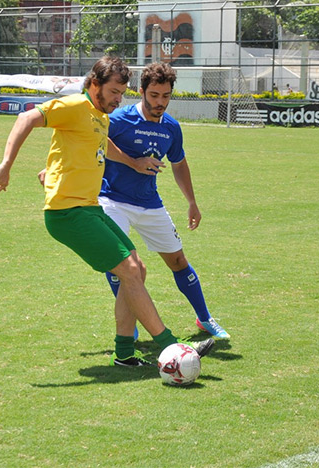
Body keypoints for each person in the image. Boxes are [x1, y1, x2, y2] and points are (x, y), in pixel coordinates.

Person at [0, 57, 213, 367]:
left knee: (137, 269)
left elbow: (98, 148)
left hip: (89, 208)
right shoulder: (74, 106)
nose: (119, 99)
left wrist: (52, 169)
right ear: (95, 85)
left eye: (122, 93)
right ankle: (171, 347)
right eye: (114, 92)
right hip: (68, 213)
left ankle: (123, 355)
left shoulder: (101, 115)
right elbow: (27, 119)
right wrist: (5, 166)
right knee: (131, 272)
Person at [100, 62, 230, 340]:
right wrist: (133, 162)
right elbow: (93, 140)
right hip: (112, 200)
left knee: (179, 260)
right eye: (155, 95)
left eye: (166, 96)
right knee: (122, 264)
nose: (160, 103)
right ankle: (129, 326)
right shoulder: (120, 120)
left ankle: (205, 319)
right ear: (142, 91)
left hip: (150, 203)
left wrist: (192, 202)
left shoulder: (171, 128)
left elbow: (179, 164)